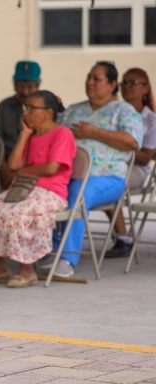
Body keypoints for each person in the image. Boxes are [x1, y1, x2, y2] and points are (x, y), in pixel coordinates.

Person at [38, 61, 143, 277]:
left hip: (107, 177)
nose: (90, 82)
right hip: (68, 175)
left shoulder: (124, 110)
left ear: (112, 84)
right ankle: (51, 248)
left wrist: (95, 132)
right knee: (43, 190)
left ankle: (67, 258)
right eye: (89, 77)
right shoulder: (74, 110)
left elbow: (132, 141)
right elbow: (53, 137)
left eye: (97, 78)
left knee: (78, 194)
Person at [0, 91, 75, 288]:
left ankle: (27, 270)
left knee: (19, 214)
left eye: (31, 109)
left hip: (49, 192)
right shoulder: (29, 135)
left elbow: (51, 168)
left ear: (48, 113)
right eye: (25, 108)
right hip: (22, 189)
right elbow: (12, 165)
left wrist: (23, 171)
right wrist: (24, 134)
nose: (25, 113)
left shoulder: (62, 133)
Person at [104, 68, 156, 258]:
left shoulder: (151, 120)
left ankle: (123, 237)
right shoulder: (113, 111)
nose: (126, 87)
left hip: (135, 169)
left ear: (145, 88)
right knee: (95, 177)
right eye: (123, 82)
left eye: (132, 83)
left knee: (109, 182)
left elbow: (145, 157)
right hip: (109, 163)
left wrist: (121, 145)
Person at [0, 61, 41, 189]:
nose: (25, 91)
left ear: (38, 86)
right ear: (14, 85)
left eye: (30, 86)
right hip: (6, 164)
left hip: (36, 166)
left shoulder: (45, 109)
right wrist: (5, 172)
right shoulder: (4, 107)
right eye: (20, 86)